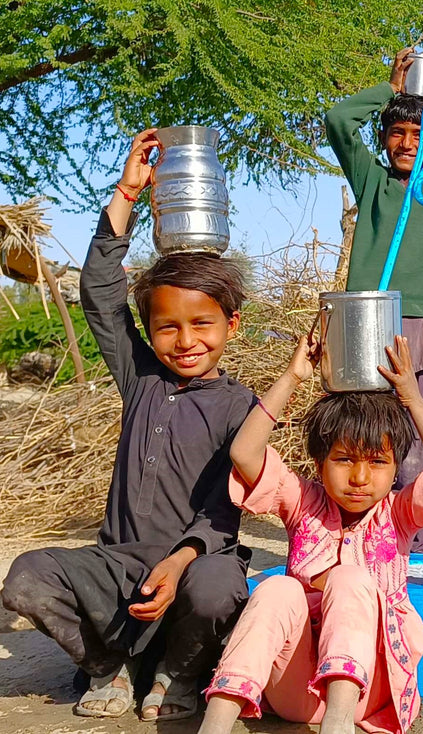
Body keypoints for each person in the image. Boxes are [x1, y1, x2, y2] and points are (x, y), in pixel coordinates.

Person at [1, 129, 255, 721]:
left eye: (203, 325)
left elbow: (224, 511)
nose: (186, 341)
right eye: (168, 327)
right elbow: (99, 292)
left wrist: (176, 562)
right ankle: (107, 667)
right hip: (117, 569)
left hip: (193, 569)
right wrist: (126, 194)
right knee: (26, 578)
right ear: (148, 330)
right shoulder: (141, 378)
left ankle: (177, 674)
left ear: (232, 325)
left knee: (220, 586)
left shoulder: (241, 405)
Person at [196, 334, 423, 734]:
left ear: (396, 469)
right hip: (297, 692)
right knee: (277, 589)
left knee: (350, 577)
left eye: (377, 462)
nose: (359, 478)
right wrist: (292, 376)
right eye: (343, 460)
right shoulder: (302, 501)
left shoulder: (399, 513)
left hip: (367, 692)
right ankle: (215, 724)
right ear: (320, 463)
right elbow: (244, 454)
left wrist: (411, 396)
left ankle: (338, 726)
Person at [325, 47, 423, 485]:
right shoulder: (372, 181)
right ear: (384, 138)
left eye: (416, 132)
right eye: (396, 133)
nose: (406, 143)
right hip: (369, 316)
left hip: (422, 318)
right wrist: (390, 88)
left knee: (416, 430)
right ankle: (366, 524)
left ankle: (413, 536)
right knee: (365, 426)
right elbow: (339, 121)